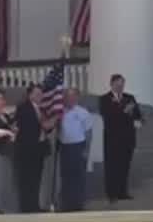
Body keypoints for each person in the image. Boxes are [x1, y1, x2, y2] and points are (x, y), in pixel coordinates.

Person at [98, 73, 143, 204]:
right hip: (112, 139)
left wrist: (139, 120)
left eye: (122, 84)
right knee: (112, 167)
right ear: (111, 84)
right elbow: (108, 116)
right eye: (117, 85)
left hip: (128, 138)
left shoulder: (130, 98)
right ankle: (111, 193)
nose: (120, 87)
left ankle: (122, 191)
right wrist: (124, 111)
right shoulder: (104, 99)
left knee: (124, 166)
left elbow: (137, 114)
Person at [12, 84, 51, 214]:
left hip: (39, 150)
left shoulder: (41, 110)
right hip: (27, 150)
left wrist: (52, 122)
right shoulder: (23, 108)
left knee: (36, 178)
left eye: (41, 94)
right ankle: (26, 207)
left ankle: (34, 205)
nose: (40, 96)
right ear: (30, 95)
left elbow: (46, 128)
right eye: (37, 93)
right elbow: (25, 128)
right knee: (27, 179)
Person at [56, 89, 94, 212]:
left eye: (72, 97)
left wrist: (86, 149)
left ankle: (78, 204)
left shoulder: (83, 112)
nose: (70, 100)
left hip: (79, 147)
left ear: (77, 98)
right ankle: (66, 204)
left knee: (79, 177)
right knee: (66, 176)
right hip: (64, 147)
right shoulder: (59, 112)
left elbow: (88, 132)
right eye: (67, 97)